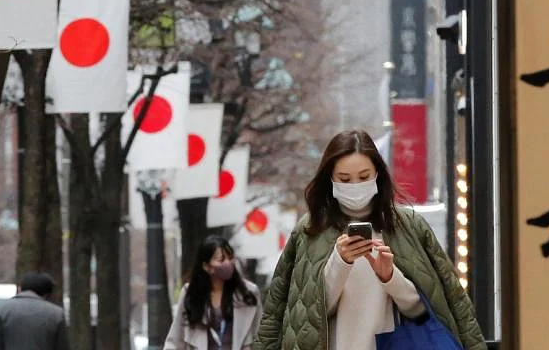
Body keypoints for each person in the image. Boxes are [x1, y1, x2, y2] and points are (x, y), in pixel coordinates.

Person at [254, 130, 486, 350]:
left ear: (377, 174)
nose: (355, 186)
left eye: (364, 177)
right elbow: (294, 315)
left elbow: (435, 309)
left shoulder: (408, 226)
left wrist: (390, 276)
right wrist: (340, 263)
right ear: (330, 180)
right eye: (344, 179)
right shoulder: (309, 230)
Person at [164, 235, 262, 350]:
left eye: (230, 258)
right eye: (221, 260)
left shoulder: (249, 293)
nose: (228, 263)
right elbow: (175, 340)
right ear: (207, 266)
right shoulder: (190, 294)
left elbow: (261, 336)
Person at [0, 272, 70, 350]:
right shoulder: (56, 313)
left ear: (20, 289)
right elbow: (61, 346)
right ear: (47, 294)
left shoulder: (0, 309)